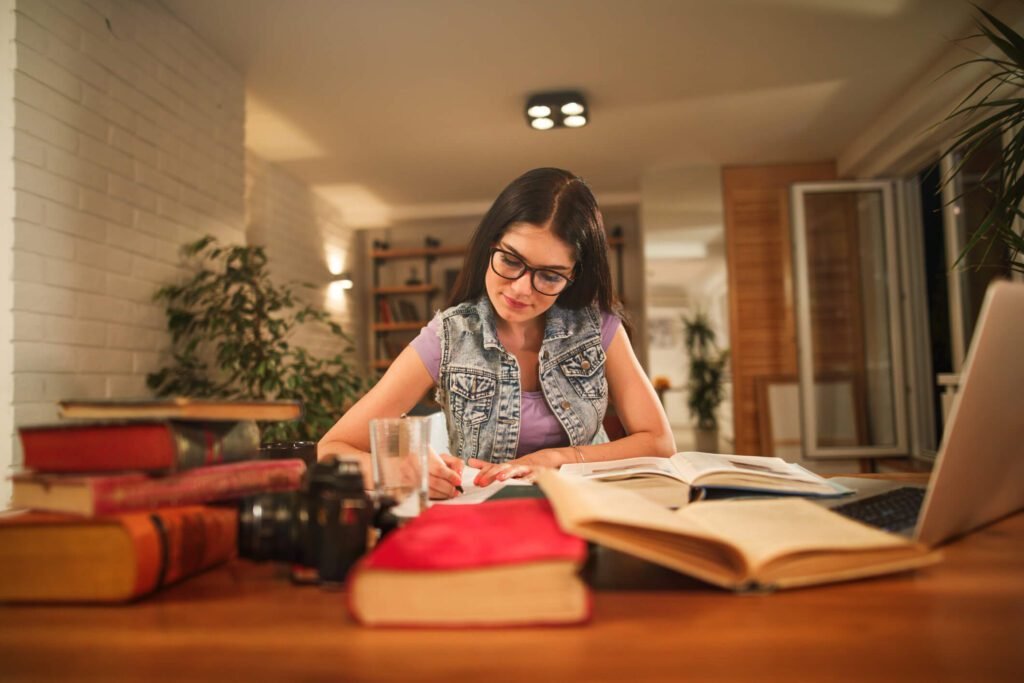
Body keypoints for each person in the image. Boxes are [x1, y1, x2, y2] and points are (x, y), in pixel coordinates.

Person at [318, 167, 675, 498]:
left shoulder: (598, 328)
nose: (521, 289)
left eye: (549, 276)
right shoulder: (449, 335)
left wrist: (556, 458)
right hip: (485, 515)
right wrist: (399, 470)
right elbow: (331, 449)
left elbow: (659, 442)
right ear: (491, 245)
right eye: (510, 260)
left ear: (573, 277)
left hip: (589, 507)